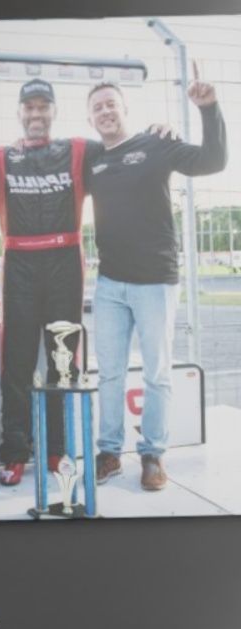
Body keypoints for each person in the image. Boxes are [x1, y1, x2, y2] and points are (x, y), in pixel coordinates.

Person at [87, 69, 225, 491]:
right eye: (97, 108)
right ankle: (109, 453)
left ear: (125, 108)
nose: (105, 111)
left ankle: (152, 455)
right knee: (108, 373)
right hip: (109, 284)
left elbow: (212, 161)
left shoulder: (157, 142)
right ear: (91, 118)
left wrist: (208, 109)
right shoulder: (91, 158)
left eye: (111, 103)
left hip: (155, 282)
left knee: (157, 374)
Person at [0, 79, 99, 487]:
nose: (36, 115)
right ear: (20, 112)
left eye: (43, 108)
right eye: (29, 108)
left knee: (61, 363)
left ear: (53, 111)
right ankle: (15, 453)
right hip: (19, 261)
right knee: (16, 364)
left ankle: (56, 450)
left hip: (65, 263)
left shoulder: (78, 150)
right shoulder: (0, 157)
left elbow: (121, 151)